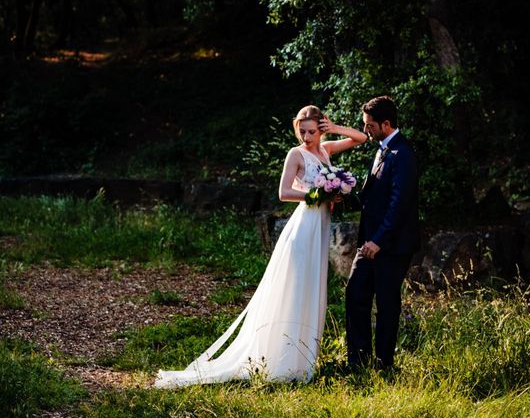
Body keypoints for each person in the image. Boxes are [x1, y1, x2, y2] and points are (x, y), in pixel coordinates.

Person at [154, 105, 367, 388]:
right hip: (304, 227)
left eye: (312, 131)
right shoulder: (296, 154)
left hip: (320, 226)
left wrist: (335, 129)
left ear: (321, 128)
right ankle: (281, 360)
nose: (306, 136)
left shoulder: (325, 150)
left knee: (312, 287)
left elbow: (360, 138)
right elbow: (284, 192)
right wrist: (318, 193)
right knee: (296, 287)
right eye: (302, 131)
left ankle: (302, 360)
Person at [346, 95, 420, 370]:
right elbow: (371, 196)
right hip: (369, 242)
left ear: (386, 124)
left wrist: (378, 241)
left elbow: (398, 204)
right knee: (355, 294)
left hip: (392, 245)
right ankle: (357, 360)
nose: (366, 130)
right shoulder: (382, 149)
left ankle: (384, 363)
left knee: (387, 304)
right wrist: (340, 193)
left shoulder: (404, 155)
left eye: (370, 125)